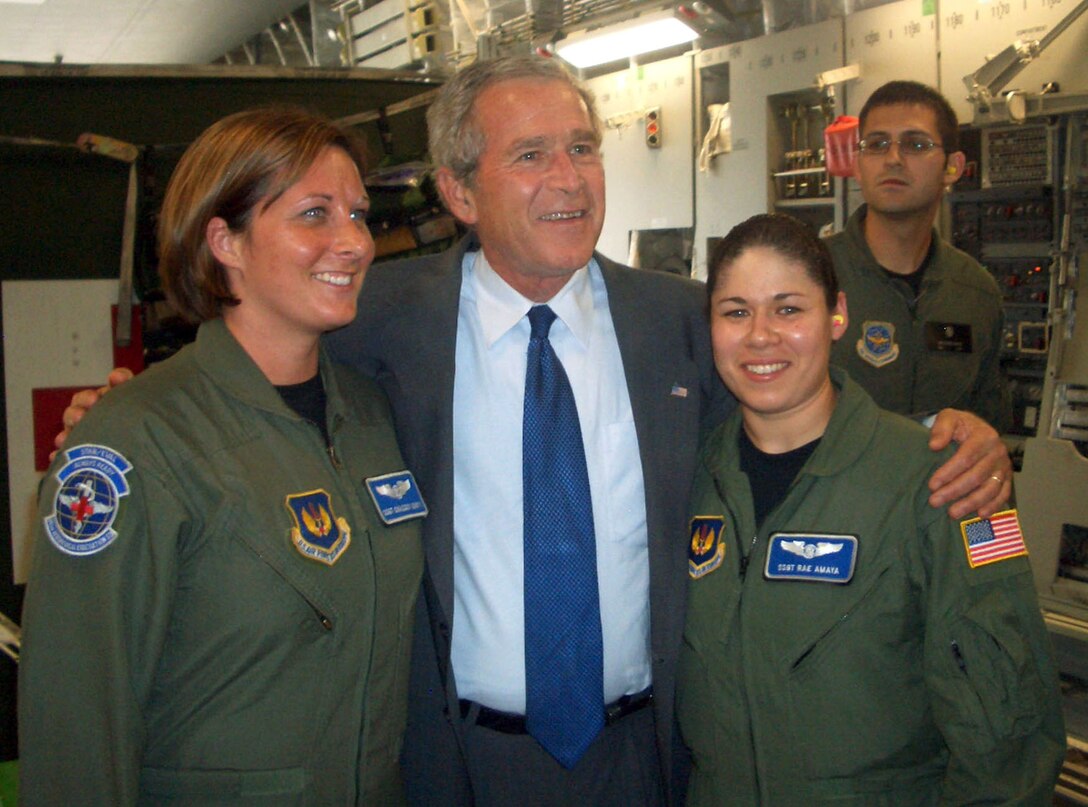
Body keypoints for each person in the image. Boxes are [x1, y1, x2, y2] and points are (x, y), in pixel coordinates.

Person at [56, 58, 1014, 805]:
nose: (570, 180)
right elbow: (253, 374)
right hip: (449, 761)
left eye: (583, 148)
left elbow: (817, 403)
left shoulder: (688, 323)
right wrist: (125, 419)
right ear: (460, 192)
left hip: (648, 754)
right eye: (530, 156)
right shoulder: (377, 318)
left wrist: (944, 430)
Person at [19, 107, 424, 805]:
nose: (353, 241)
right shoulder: (135, 438)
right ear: (224, 240)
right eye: (314, 214)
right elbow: (77, 722)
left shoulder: (371, 415)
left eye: (357, 214)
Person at [678, 213, 1065, 805]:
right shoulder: (691, 477)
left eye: (788, 309)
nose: (760, 335)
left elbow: (1010, 732)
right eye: (736, 311)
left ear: (838, 316)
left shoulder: (944, 481)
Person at [826, 80, 1011, 431]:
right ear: (857, 163)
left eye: (916, 144)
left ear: (953, 167)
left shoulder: (975, 293)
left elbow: (988, 429)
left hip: (940, 486)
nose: (893, 159)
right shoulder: (810, 277)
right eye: (877, 144)